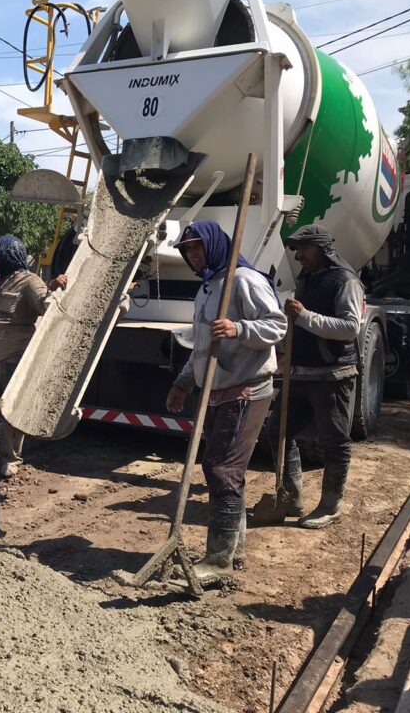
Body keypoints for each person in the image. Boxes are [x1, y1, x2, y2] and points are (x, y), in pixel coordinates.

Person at [165, 221, 286, 582]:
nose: (193, 255)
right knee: (229, 473)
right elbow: (202, 345)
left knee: (220, 469)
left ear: (216, 245)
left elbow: (277, 325)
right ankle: (233, 552)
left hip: (246, 389)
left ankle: (217, 561)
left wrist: (240, 328)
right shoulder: (206, 288)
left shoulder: (245, 280)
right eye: (187, 250)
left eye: (198, 248)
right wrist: (184, 382)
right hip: (215, 391)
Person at [266, 224, 363, 529]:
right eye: (296, 251)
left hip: (332, 375)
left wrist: (305, 316)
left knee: (334, 441)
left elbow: (350, 327)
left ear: (321, 249)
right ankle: (291, 498)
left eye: (303, 250)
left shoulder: (344, 280)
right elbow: (298, 322)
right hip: (301, 373)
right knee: (276, 432)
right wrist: (284, 350)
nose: (299, 257)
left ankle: (331, 506)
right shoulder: (308, 277)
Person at [0, 235, 68, 480]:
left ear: (7, 255)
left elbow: (45, 305)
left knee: (12, 411)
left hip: (14, 359)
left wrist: (54, 287)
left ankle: (10, 459)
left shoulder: (29, 282)